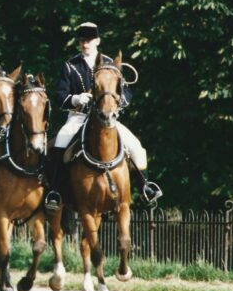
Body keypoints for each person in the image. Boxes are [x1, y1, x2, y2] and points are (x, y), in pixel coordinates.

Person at [44, 22, 162, 210]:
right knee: (60, 140)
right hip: (78, 117)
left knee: (136, 147)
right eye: (82, 41)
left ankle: (145, 187)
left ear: (97, 41)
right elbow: (59, 96)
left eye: (89, 40)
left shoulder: (110, 63)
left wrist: (118, 102)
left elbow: (126, 93)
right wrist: (76, 99)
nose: (85, 44)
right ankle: (55, 191)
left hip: (107, 119)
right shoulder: (70, 66)